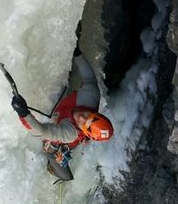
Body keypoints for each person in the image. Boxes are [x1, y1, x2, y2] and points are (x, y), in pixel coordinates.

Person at [11, 25, 114, 181]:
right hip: (66, 117)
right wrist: (77, 53)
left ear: (84, 131)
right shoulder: (91, 96)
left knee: (51, 149)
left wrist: (23, 113)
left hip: (62, 135)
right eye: (88, 115)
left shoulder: (70, 133)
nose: (81, 116)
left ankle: (58, 170)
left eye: (83, 122)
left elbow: (41, 131)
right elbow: (89, 78)